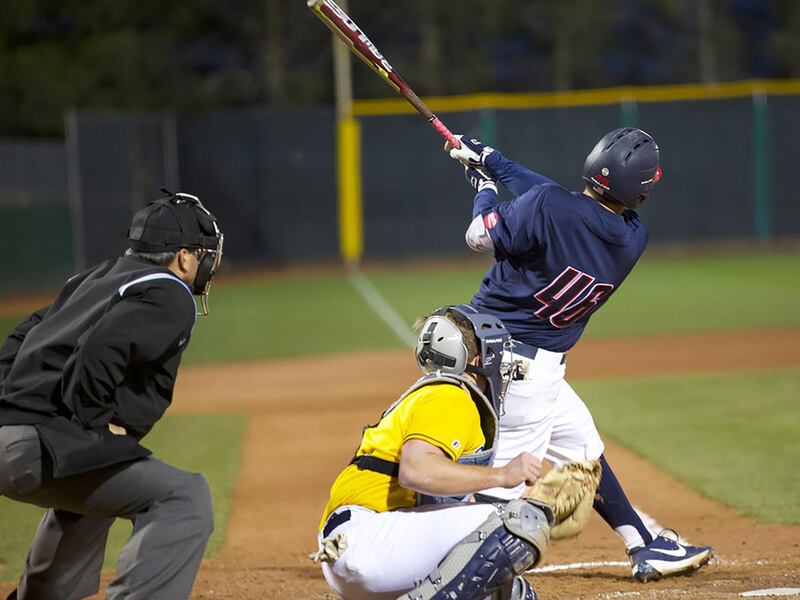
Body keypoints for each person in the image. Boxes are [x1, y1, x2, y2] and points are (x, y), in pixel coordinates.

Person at [445, 128, 713, 582]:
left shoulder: (548, 207)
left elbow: (479, 235)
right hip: (532, 367)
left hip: (499, 362)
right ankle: (643, 544)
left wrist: (485, 190)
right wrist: (495, 159)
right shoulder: (631, 238)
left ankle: (447, 572)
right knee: (576, 455)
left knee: (517, 483)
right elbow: (554, 203)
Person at [0, 191, 224, 600]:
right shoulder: (170, 291)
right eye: (204, 253)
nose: (207, 262)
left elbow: (22, 334)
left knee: (103, 472)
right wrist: (94, 420)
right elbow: (101, 347)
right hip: (36, 447)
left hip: (11, 436)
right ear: (185, 258)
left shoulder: (93, 278)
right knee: (185, 498)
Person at [313, 305, 552, 600]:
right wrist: (503, 476)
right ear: (476, 359)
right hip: (368, 541)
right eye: (494, 353)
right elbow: (417, 471)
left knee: (511, 592)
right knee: (519, 522)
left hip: (361, 546)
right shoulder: (450, 397)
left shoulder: (434, 394)